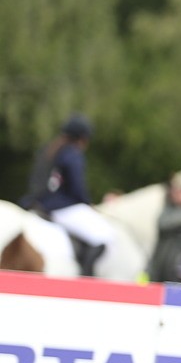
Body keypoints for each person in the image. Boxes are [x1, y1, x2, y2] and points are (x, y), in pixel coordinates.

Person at [19, 114, 115, 276]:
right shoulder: (73, 154)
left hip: (37, 202)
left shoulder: (47, 149)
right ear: (82, 138)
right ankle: (86, 275)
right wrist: (87, 203)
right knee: (104, 235)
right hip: (61, 207)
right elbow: (77, 188)